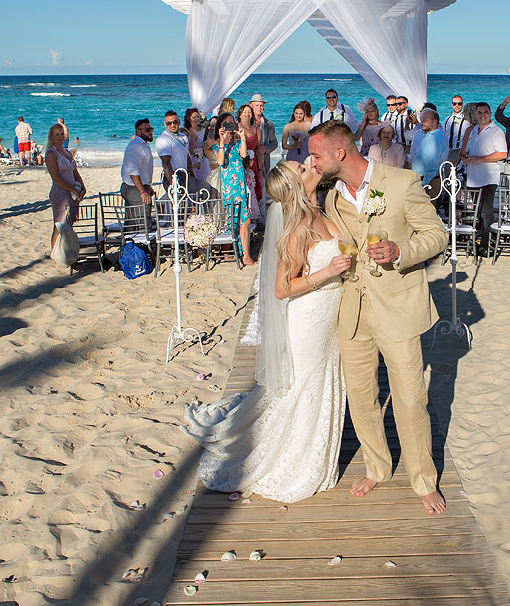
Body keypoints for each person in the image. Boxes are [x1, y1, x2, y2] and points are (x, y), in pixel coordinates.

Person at [182, 160, 351, 501]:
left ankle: (316, 455)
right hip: (309, 319)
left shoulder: (324, 208)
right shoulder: (298, 228)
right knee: (304, 388)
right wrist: (329, 272)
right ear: (294, 187)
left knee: (321, 382)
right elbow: (281, 288)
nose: (310, 165)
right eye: (302, 168)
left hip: (330, 317)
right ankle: (295, 462)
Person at [308, 121, 449, 514]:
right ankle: (377, 467)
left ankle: (423, 480)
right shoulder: (332, 197)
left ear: (340, 153)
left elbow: (437, 235)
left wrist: (400, 250)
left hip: (398, 309)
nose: (311, 161)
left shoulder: (402, 182)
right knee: (362, 398)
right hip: (352, 311)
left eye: (316, 155)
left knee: (409, 400)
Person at [461, 102, 507, 252]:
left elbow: (502, 154)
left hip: (488, 178)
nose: (482, 115)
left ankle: (487, 246)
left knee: (486, 213)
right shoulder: (474, 130)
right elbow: (468, 150)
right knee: (477, 212)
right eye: (479, 112)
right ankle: (481, 242)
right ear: (475, 115)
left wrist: (480, 159)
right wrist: (466, 157)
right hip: (473, 178)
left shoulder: (496, 131)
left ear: (490, 113)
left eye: (485, 112)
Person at [211, 116, 256, 266]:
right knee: (232, 221)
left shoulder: (237, 145)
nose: (230, 129)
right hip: (229, 189)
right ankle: (231, 252)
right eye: (227, 126)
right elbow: (220, 161)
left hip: (240, 187)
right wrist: (222, 141)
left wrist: (242, 136)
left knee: (245, 220)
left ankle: (245, 255)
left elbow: (244, 155)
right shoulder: (217, 146)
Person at [45, 123, 85, 251]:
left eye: (62, 134)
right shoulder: (51, 153)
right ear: (51, 136)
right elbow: (56, 177)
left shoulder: (67, 152)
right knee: (59, 224)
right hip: (60, 193)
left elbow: (75, 171)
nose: (60, 137)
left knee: (69, 224)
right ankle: (56, 254)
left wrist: (82, 186)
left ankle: (66, 252)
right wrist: (72, 189)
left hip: (72, 192)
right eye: (57, 134)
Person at [120, 118, 155, 228]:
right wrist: (142, 191)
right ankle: (139, 245)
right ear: (138, 131)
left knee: (134, 224)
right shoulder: (135, 146)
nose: (150, 132)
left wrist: (147, 186)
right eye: (147, 130)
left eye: (151, 129)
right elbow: (132, 171)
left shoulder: (143, 144)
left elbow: (142, 169)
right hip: (133, 189)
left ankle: (132, 244)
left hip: (139, 187)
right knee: (143, 225)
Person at [411, 108, 449, 197]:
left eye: (425, 120)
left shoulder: (435, 138)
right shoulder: (433, 135)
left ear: (434, 122)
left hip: (429, 182)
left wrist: (424, 184)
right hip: (426, 180)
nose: (421, 122)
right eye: (421, 119)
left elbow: (432, 163)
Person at [155, 111, 190, 190]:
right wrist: (172, 182)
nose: (173, 125)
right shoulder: (163, 139)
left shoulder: (183, 136)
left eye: (175, 122)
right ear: (165, 125)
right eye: (169, 123)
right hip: (173, 175)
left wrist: (191, 173)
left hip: (185, 175)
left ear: (179, 122)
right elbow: (166, 163)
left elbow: (187, 156)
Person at [238, 103, 264, 208]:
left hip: (252, 164)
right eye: (245, 112)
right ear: (240, 114)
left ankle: (253, 217)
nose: (247, 114)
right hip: (240, 162)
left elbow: (258, 151)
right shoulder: (236, 127)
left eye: (249, 112)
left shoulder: (256, 130)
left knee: (253, 190)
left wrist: (260, 169)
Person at [250, 94, 279, 176]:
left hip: (264, 163)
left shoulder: (269, 124)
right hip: (249, 163)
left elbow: (274, 143)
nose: (259, 108)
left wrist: (265, 149)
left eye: (261, 105)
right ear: (251, 106)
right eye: (257, 105)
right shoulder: (247, 123)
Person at [442, 95, 470, 165]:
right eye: (454, 104)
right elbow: (444, 136)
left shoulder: (466, 120)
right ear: (451, 105)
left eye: (459, 104)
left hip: (460, 151)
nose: (457, 105)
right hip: (448, 152)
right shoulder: (447, 120)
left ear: (462, 104)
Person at [183, 108, 208, 183]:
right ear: (188, 118)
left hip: (201, 159)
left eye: (197, 117)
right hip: (196, 160)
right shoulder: (191, 132)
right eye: (194, 117)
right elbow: (191, 151)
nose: (197, 119)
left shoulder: (196, 130)